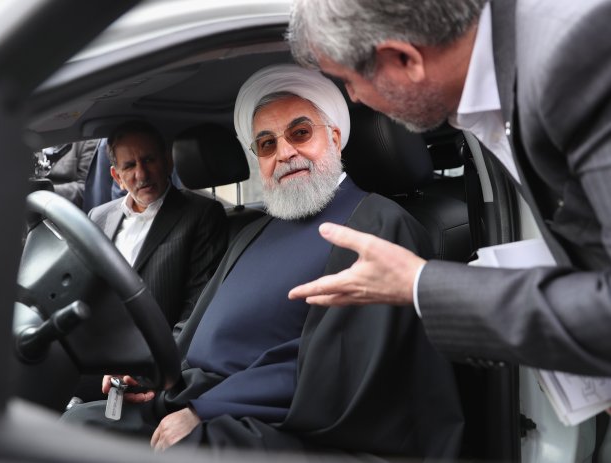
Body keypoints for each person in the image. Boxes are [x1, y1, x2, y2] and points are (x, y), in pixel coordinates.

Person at [62, 64, 463, 459]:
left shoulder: (376, 224)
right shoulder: (255, 229)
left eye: (300, 133)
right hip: (209, 397)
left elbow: (340, 364)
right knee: (80, 425)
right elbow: (197, 332)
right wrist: (154, 376)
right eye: (267, 144)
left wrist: (207, 410)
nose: (285, 153)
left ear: (335, 137)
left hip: (288, 419)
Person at [286, 0, 611, 376]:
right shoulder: (511, 65)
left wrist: (417, 283)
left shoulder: (576, 58)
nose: (353, 97)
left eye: (348, 81)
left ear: (404, 58)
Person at [87, 120, 228, 331]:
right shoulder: (98, 216)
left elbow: (197, 308)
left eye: (149, 160)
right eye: (130, 166)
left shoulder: (201, 214)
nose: (142, 174)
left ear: (168, 162)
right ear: (117, 177)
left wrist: (167, 352)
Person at [36, 139, 98, 208]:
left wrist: (45, 189)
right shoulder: (35, 138)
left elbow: (85, 188)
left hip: (64, 206)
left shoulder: (86, 140)